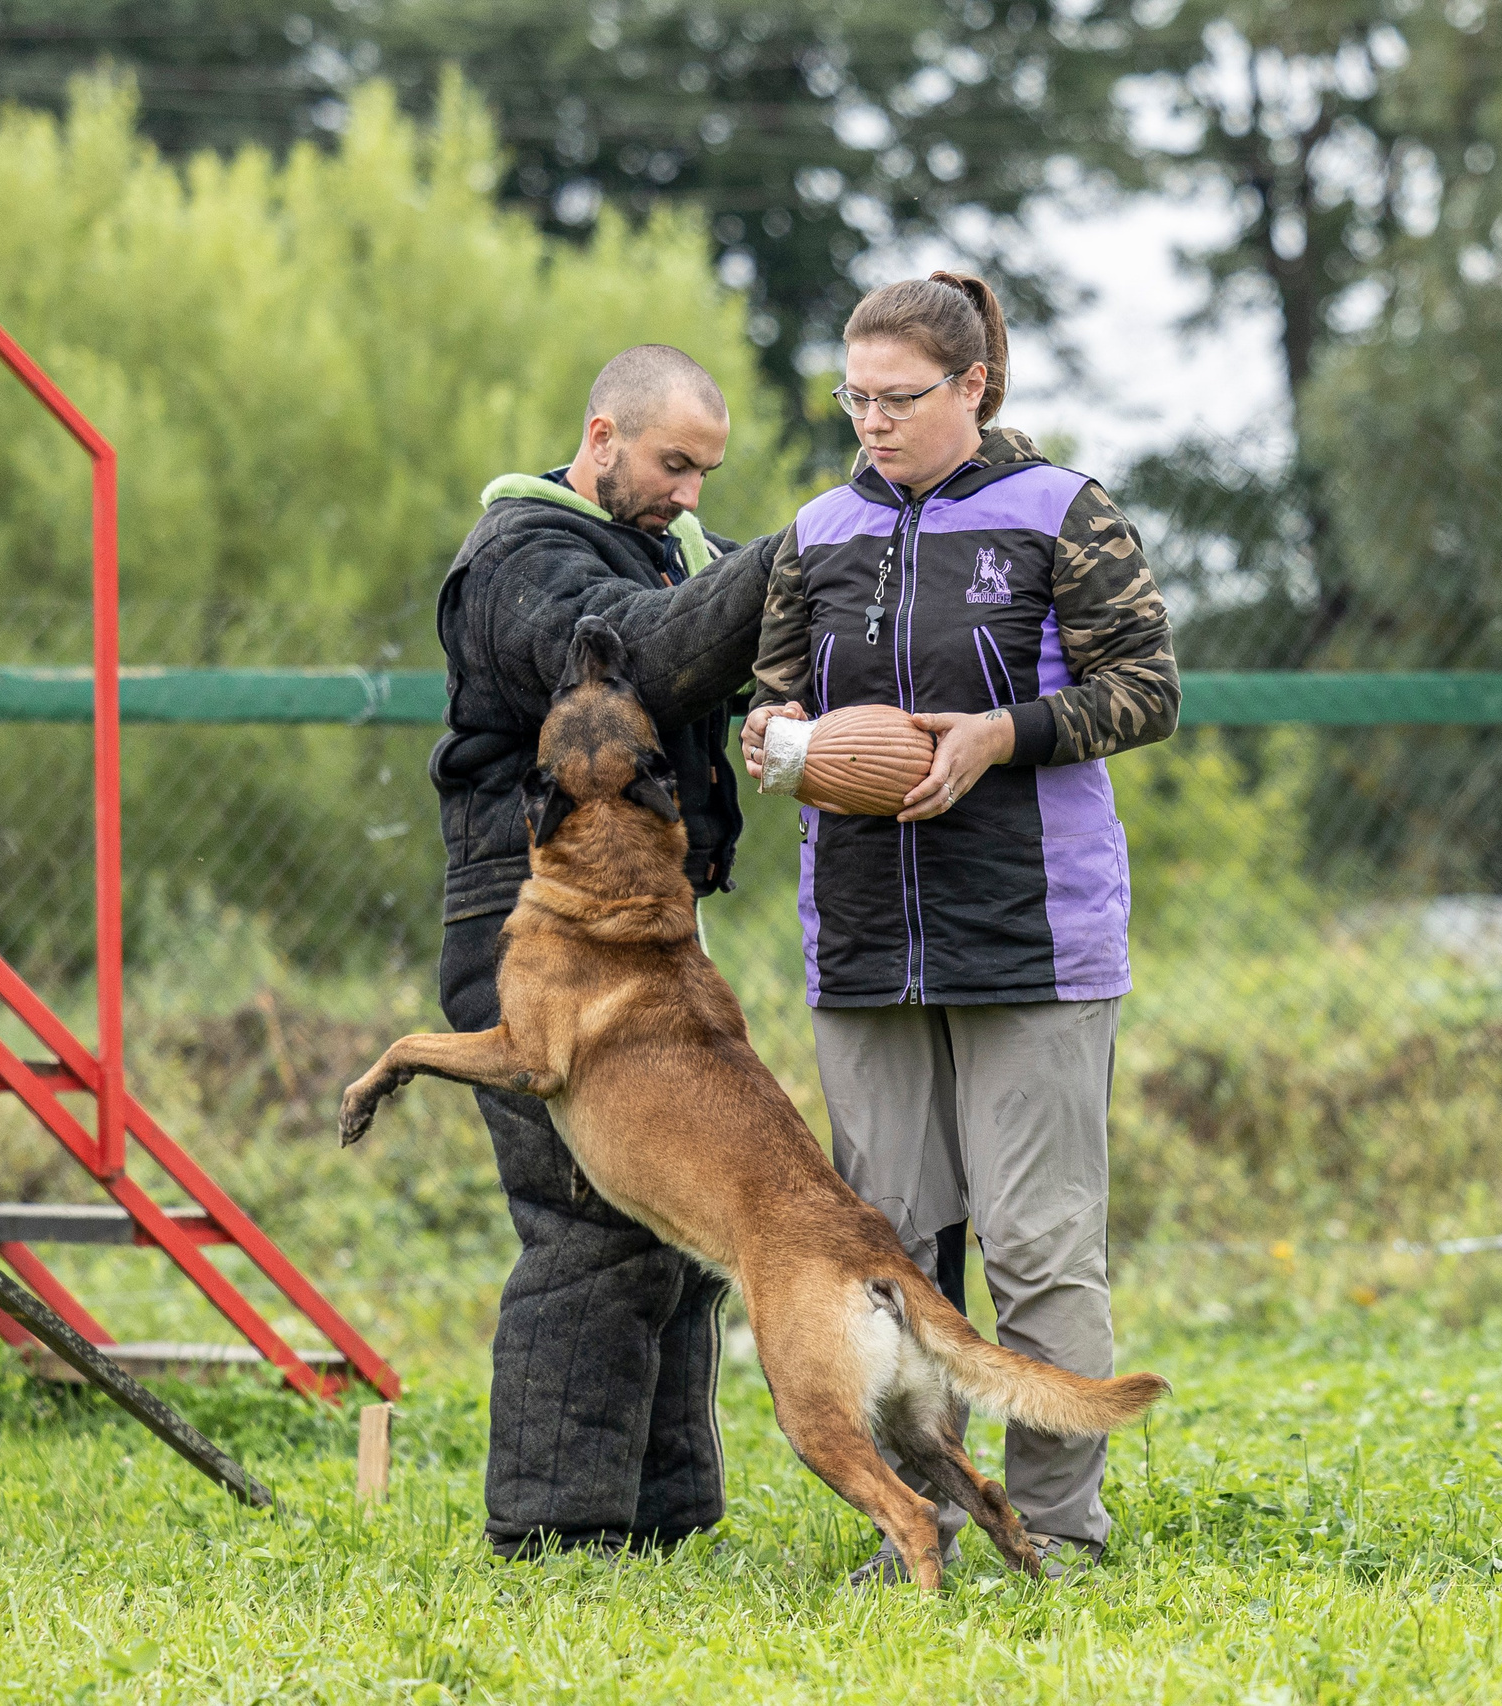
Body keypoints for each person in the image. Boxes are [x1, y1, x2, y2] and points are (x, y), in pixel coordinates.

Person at [741, 272, 1179, 1581]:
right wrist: (777, 744)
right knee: (887, 1257)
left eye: (898, 398)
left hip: (1035, 941)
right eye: (853, 397)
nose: (870, 421)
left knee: (1040, 1246)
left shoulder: (1061, 512)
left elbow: (1147, 689)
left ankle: (1058, 1520)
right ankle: (920, 1515)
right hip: (866, 947)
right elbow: (767, 704)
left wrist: (1000, 734)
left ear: (972, 386)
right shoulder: (815, 531)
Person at [431, 344, 777, 1558]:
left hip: (639, 925)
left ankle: (667, 1516)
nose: (690, 493)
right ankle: (556, 1532)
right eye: (674, 464)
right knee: (588, 1225)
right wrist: (792, 553)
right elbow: (642, 652)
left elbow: (728, 616)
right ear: (601, 435)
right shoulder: (521, 554)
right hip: (531, 923)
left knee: (683, 1227)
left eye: (705, 472)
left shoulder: (667, 547)